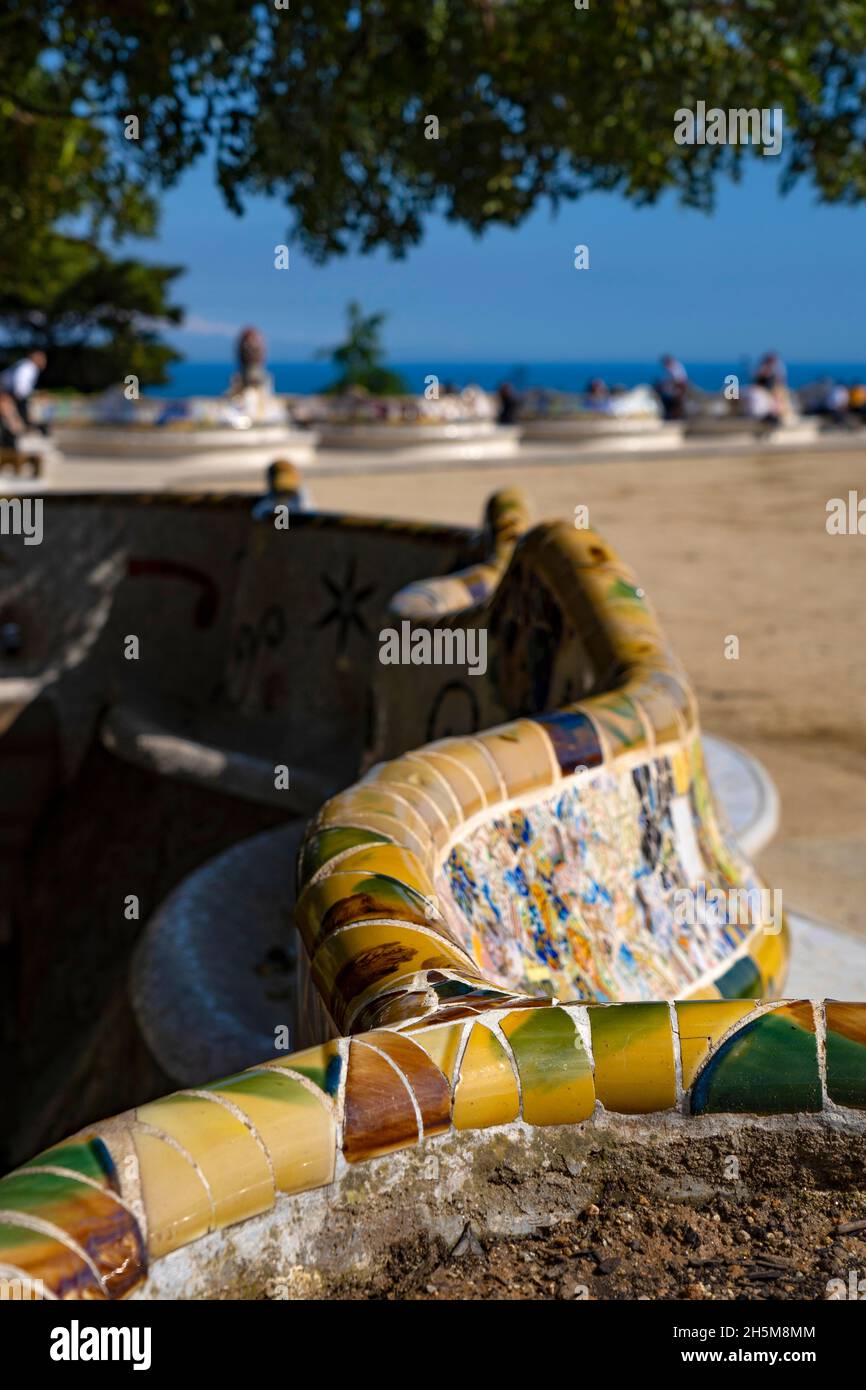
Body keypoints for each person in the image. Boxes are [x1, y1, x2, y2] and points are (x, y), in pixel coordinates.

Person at [0, 351, 46, 430]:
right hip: (6, 390)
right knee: (12, 416)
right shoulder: (29, 367)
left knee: (13, 416)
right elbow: (21, 386)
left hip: (8, 390)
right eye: (43, 359)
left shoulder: (26, 364)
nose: (45, 361)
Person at [656, 354, 688, 419]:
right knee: (675, 403)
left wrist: (668, 387)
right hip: (678, 388)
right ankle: (675, 416)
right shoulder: (676, 366)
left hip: (679, 388)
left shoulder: (674, 367)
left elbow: (678, 380)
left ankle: (674, 417)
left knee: (675, 404)